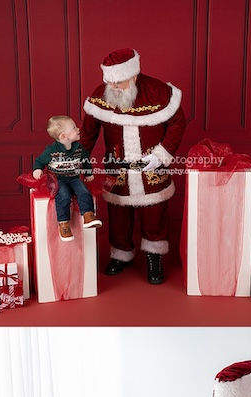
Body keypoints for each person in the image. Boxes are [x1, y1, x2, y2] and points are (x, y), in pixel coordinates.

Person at [79, 48, 186, 284]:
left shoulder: (158, 92)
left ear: (134, 76)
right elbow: (88, 132)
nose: (114, 87)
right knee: (118, 213)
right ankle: (121, 254)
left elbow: (178, 122)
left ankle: (154, 256)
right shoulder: (102, 93)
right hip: (117, 168)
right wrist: (79, 159)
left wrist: (162, 154)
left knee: (154, 213)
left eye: (119, 82)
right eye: (110, 82)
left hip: (152, 167)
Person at [32, 115, 100, 242]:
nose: (78, 129)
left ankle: (88, 215)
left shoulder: (79, 148)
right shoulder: (51, 151)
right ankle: (64, 224)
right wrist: (38, 169)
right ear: (64, 137)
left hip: (74, 177)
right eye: (74, 128)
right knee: (63, 195)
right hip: (58, 180)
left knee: (83, 191)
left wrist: (88, 173)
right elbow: (40, 161)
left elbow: (85, 160)